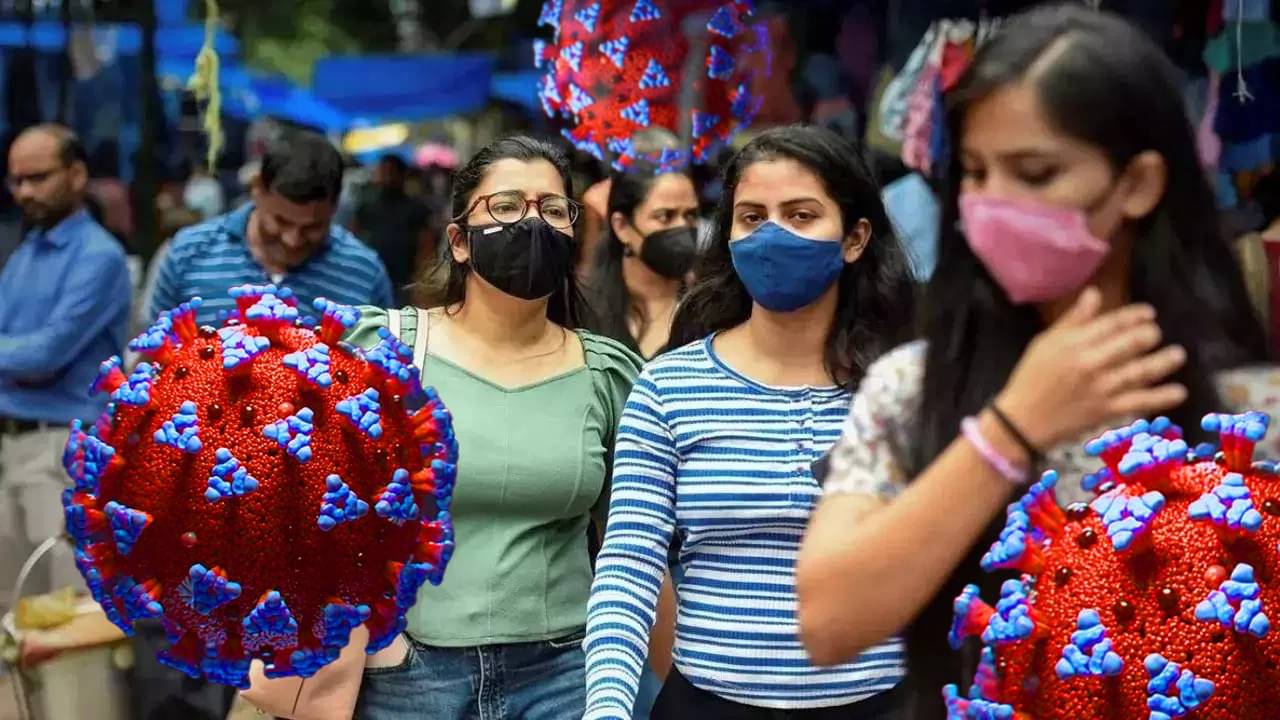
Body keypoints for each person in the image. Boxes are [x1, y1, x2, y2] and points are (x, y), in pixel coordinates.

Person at [794, 7, 1275, 719]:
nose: (992, 205)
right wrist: (1008, 430)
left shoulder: (1252, 410)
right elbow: (830, 621)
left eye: (1035, 173)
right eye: (976, 173)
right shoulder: (913, 387)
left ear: (1139, 184)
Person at [584, 125, 916, 720]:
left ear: (855, 238)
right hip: (708, 704)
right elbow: (628, 567)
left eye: (801, 215)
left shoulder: (902, 388)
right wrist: (607, 705)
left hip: (880, 704)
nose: (772, 234)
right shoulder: (669, 387)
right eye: (753, 217)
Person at [344, 135, 643, 720]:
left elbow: (635, 543)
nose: (531, 222)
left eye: (552, 209)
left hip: (564, 676)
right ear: (459, 241)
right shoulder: (387, 353)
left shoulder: (606, 374)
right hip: (409, 677)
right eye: (506, 206)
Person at [0, 124, 131, 602]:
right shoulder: (26, 254)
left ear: (76, 175)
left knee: (70, 610)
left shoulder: (100, 257)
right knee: (13, 609)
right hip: (13, 444)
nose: (24, 192)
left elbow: (45, 355)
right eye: (16, 180)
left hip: (63, 450)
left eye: (38, 178)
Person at [148, 130, 393, 325]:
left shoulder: (364, 273)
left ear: (335, 205)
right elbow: (154, 355)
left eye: (312, 227)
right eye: (281, 221)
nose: (293, 240)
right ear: (257, 190)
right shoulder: (188, 253)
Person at [587, 138, 701, 358]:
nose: (682, 227)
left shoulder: (711, 315)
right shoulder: (585, 317)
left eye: (690, 216)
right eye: (665, 216)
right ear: (622, 226)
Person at [354, 153, 433, 305]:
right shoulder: (367, 206)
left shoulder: (416, 209)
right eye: (383, 172)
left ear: (402, 175)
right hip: (370, 277)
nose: (387, 177)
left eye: (391, 172)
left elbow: (425, 247)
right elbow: (354, 235)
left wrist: (420, 281)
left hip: (403, 282)